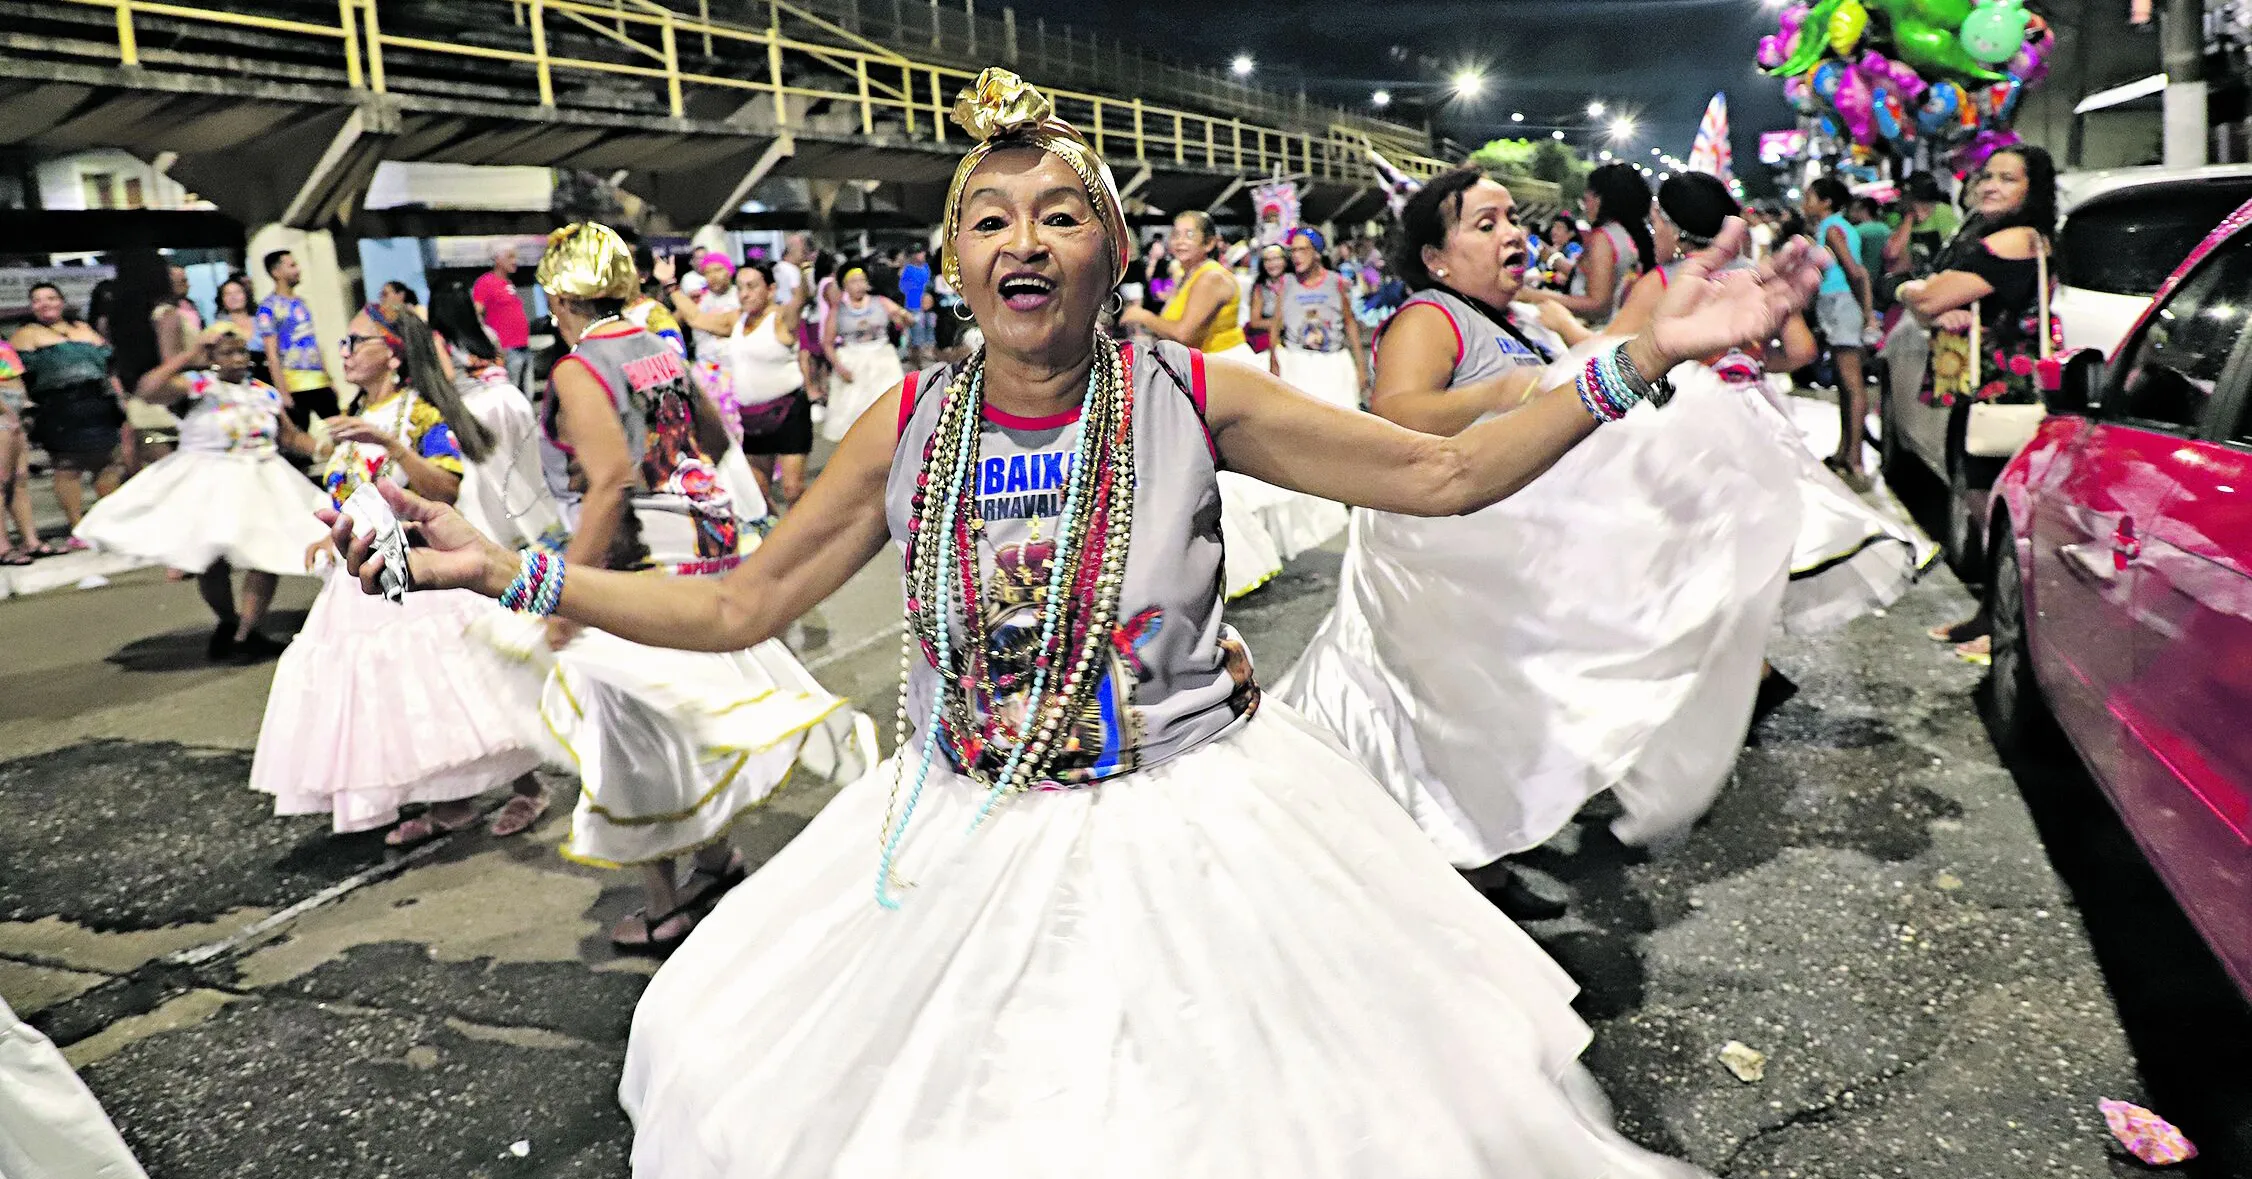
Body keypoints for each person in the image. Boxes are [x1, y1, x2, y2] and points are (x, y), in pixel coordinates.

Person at [328, 69, 1822, 1177]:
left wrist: (1632, 359)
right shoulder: (904, 423)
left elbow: (1440, 471)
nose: (1023, 240)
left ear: (1111, 253)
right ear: (957, 260)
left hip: (1192, 824)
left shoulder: (1190, 392)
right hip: (960, 819)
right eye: (991, 218)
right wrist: (504, 569)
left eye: (1061, 215)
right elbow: (735, 600)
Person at [1279, 166, 1806, 917]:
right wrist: (1500, 394)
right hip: (1433, 566)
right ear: (1436, 257)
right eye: (1484, 225)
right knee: (1433, 729)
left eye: (1512, 221)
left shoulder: (1511, 323)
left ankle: (1477, 872)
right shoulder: (1430, 317)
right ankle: (1449, 894)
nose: (1511, 235)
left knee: (1481, 729)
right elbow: (1396, 415)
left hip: (1490, 566)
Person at [510, 221, 870, 952]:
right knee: (681, 708)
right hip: (704, 534)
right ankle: (715, 856)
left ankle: (666, 901)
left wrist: (567, 590)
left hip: (645, 551)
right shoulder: (657, 347)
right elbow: (711, 435)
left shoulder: (580, 369)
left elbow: (609, 480)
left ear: (558, 294)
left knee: (628, 722)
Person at [1614, 172, 1931, 714]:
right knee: (1738, 547)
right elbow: (1803, 351)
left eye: (1655, 222)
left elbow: (1607, 352)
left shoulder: (1663, 284)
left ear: (1669, 224)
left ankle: (1728, 674)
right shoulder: (1752, 280)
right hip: (1757, 414)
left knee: (1683, 547)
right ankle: (1748, 666)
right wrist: (1747, 365)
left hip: (1688, 421)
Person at [252, 303, 547, 847]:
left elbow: (445, 489)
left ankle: (527, 785)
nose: (344, 353)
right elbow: (348, 491)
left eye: (355, 342)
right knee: (400, 696)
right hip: (366, 572)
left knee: (465, 685)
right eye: (343, 344)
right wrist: (330, 531)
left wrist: (391, 446)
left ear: (389, 352)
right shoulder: (351, 416)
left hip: (422, 564)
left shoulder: (421, 416)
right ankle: (446, 799)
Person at [1122, 211, 1345, 597]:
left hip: (1223, 375)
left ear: (1210, 243)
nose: (1179, 240)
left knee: (1225, 475)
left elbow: (1184, 333)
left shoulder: (1210, 277)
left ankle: (1240, 566)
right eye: (1175, 233)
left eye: (1190, 234)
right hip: (1202, 375)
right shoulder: (1189, 275)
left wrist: (1141, 314)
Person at [1897, 145, 2060, 664]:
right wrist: (1930, 304)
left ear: (2031, 191)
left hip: (2002, 390)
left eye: (2008, 179)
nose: (1991, 185)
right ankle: (1990, 615)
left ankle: (2002, 623)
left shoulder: (2016, 239)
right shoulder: (1990, 235)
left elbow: (1925, 297)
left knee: (1989, 505)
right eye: (1987, 176)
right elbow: (1936, 304)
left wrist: (1914, 294)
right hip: (1982, 385)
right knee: (1978, 500)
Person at [74, 324, 325, 660]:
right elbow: (147, 390)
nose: (237, 359)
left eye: (241, 352)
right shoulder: (198, 387)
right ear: (213, 357)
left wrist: (325, 448)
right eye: (227, 353)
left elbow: (289, 436)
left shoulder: (264, 392)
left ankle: (246, 632)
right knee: (211, 556)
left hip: (263, 478)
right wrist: (191, 356)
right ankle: (227, 622)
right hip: (208, 477)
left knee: (268, 551)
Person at [10, 284, 126, 544]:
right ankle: (78, 527)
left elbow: (109, 366)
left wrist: (120, 399)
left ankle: (110, 522)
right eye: (37, 300)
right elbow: (18, 377)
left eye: (50, 298)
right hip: (59, 408)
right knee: (67, 467)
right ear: (31, 307)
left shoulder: (84, 329)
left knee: (108, 464)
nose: (45, 304)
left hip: (98, 403)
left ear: (62, 301)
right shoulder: (26, 335)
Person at [1805, 175, 1880, 490]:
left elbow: (1855, 272)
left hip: (1843, 306)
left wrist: (1866, 315)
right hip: (1839, 307)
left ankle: (1854, 458)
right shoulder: (1833, 227)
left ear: (1826, 203)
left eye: (1810, 197)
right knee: (1846, 384)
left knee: (1852, 384)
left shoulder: (1833, 229)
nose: (1805, 203)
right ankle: (1844, 452)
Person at [725, 260, 816, 504]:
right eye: (740, 287)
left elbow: (799, 301)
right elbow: (695, 318)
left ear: (771, 289)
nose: (744, 294)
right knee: (758, 491)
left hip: (789, 411)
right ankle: (773, 536)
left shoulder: (781, 318)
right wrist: (671, 287)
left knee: (793, 489)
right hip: (753, 417)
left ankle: (814, 537)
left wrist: (802, 273)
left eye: (752, 286)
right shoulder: (735, 321)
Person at [1537, 163, 1655, 328]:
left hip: (1599, 335)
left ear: (1600, 199)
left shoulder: (1604, 237)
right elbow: (1602, 280)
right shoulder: (1633, 236)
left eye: (1587, 198)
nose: (1586, 206)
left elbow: (1598, 305)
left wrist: (1533, 296)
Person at [1268, 228, 1370, 409]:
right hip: (1296, 363)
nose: (1296, 256)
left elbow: (1349, 322)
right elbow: (1276, 323)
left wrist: (1360, 366)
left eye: (1302, 250)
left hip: (1331, 363)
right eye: (1293, 250)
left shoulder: (1335, 282)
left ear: (1316, 253)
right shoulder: (1286, 283)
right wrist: (1273, 360)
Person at [820, 265, 913, 443]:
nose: (859, 286)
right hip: (853, 359)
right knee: (854, 410)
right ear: (845, 286)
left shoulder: (880, 302)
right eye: (853, 282)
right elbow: (827, 343)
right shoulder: (838, 310)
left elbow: (905, 319)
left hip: (881, 358)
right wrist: (839, 367)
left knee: (889, 405)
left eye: (862, 281)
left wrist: (903, 316)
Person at [257, 250, 339, 432]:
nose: (298, 270)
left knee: (342, 433)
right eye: (292, 265)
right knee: (300, 441)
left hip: (319, 382)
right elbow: (271, 353)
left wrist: (329, 379)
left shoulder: (301, 302)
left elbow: (313, 343)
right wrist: (283, 392)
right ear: (276, 272)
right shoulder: (268, 308)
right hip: (295, 384)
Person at [473, 242, 535, 394]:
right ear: (498, 259)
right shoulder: (485, 282)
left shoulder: (507, 283)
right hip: (507, 349)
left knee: (528, 392)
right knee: (512, 392)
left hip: (523, 346)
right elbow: (477, 312)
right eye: (510, 257)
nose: (514, 261)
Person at [0, 341, 38, 565]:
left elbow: (17, 376)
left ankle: (30, 540)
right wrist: (7, 411)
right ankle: (3, 546)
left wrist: (23, 404)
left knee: (19, 478)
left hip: (14, 405)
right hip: (3, 407)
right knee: (1, 481)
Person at [896, 242, 938, 366]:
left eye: (922, 252)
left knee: (930, 329)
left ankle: (929, 353)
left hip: (928, 306)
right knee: (917, 333)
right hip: (913, 305)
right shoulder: (907, 270)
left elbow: (931, 283)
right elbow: (903, 288)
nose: (922, 254)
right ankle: (917, 359)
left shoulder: (926, 267)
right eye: (918, 253)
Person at [1243, 243, 1287, 355]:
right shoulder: (1260, 287)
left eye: (1276, 259)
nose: (1272, 264)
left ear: (1285, 260)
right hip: (1272, 341)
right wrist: (1280, 324)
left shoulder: (1295, 282)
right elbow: (1255, 322)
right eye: (1267, 260)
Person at [213, 274, 260, 343]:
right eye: (228, 294)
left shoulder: (261, 320)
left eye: (238, 292)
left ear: (246, 296)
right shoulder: (219, 328)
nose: (233, 297)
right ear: (222, 300)